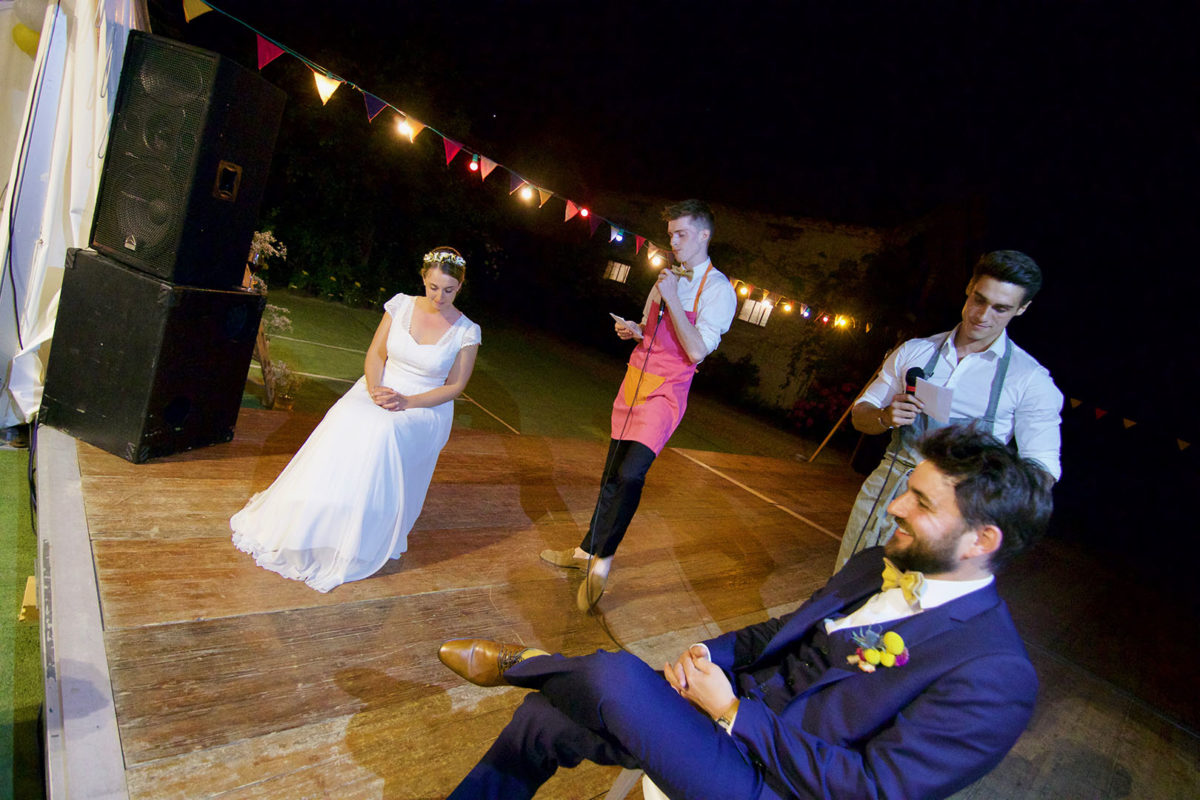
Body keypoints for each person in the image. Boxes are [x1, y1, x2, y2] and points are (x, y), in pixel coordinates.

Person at [438, 424, 1053, 799]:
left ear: (981, 540)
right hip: (721, 727)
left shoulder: (994, 675)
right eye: (905, 490)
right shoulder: (877, 563)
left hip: (774, 786)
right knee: (542, 718)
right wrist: (709, 655)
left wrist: (734, 714)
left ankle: (528, 661)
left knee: (615, 675)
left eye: (920, 502)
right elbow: (780, 633)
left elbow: (872, 789)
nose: (894, 507)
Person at [231, 247, 480, 592]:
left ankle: (360, 532)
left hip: (425, 405)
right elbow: (376, 353)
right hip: (380, 384)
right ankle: (318, 515)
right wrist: (374, 388)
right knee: (346, 414)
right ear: (423, 279)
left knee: (383, 430)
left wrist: (407, 402)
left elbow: (455, 387)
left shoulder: (467, 331)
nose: (439, 297)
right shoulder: (401, 305)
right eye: (433, 287)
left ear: (460, 287)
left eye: (449, 290)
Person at [540, 199, 737, 610]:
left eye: (681, 234)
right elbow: (652, 327)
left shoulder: (719, 290)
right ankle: (584, 552)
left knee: (631, 476)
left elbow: (697, 350)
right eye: (671, 235)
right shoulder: (666, 278)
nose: (674, 243)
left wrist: (671, 296)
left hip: (666, 392)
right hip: (634, 381)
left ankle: (603, 561)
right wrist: (634, 329)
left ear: (704, 235)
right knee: (612, 473)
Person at [835, 249, 1062, 570]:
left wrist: (984, 500)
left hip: (954, 513)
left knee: (911, 596)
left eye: (1000, 308)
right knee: (848, 581)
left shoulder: (1030, 380)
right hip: (887, 492)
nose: (983, 315)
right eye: (979, 300)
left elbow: (1041, 471)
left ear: (1022, 309)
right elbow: (861, 415)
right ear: (969, 287)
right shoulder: (915, 351)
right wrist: (884, 417)